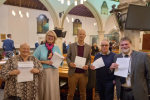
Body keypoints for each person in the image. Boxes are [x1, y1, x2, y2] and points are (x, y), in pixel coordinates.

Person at [33, 30, 64, 100]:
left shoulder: (57, 48)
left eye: (52, 36)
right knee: (44, 90)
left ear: (54, 38)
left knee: (53, 90)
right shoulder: (40, 48)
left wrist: (61, 59)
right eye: (49, 36)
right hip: (44, 72)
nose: (50, 37)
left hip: (54, 72)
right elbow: (33, 60)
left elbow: (61, 62)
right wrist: (44, 62)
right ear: (46, 37)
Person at [66, 29, 91, 100]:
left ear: (85, 36)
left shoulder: (88, 47)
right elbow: (67, 57)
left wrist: (88, 65)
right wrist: (70, 63)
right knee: (70, 94)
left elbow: (89, 59)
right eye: (80, 34)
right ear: (77, 35)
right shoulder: (71, 46)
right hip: (73, 73)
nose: (81, 35)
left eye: (83, 34)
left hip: (83, 73)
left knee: (83, 94)